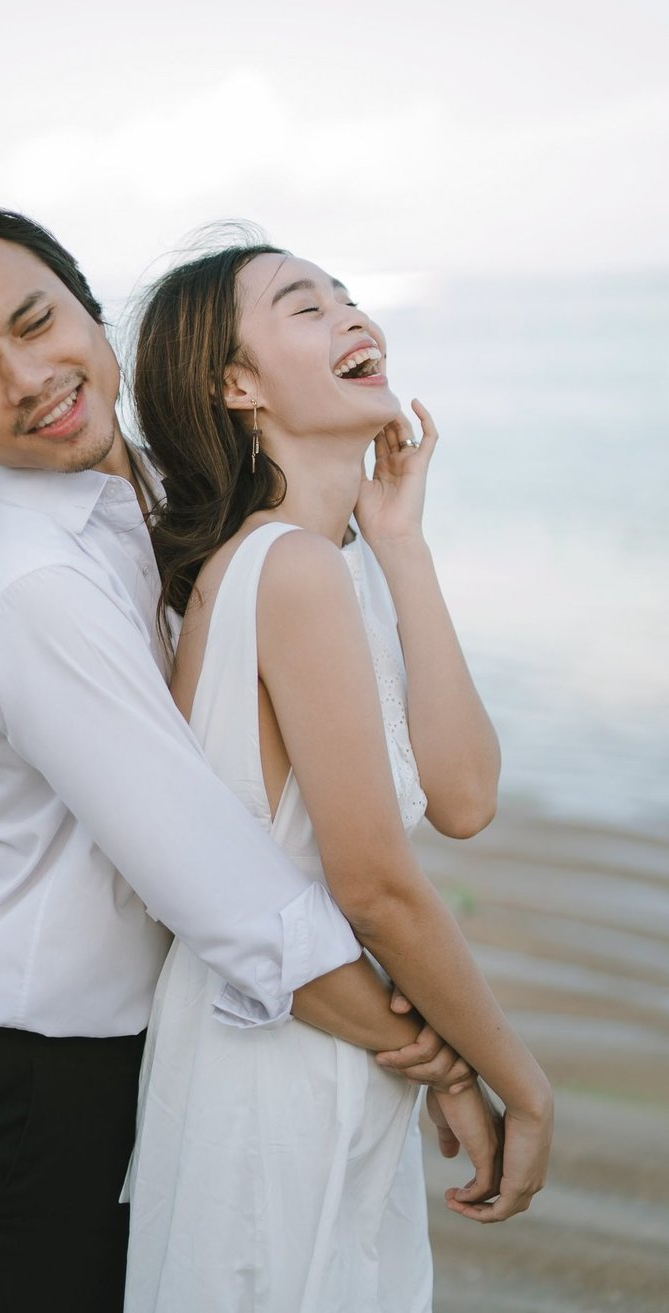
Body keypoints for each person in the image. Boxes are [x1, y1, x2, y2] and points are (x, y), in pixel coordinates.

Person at [0, 196, 480, 1313]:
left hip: (174, 1053)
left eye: (38, 321)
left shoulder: (172, 500)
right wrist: (438, 1058)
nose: (30, 374)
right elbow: (227, 892)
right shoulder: (34, 590)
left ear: (90, 310)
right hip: (35, 1097)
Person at [124, 241, 555, 1312]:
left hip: (325, 1037)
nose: (350, 312)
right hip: (281, 1050)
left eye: (348, 295)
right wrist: (517, 1079)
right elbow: (373, 882)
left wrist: (400, 541)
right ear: (236, 384)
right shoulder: (291, 572)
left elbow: (462, 798)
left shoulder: (322, 564)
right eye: (302, 305)